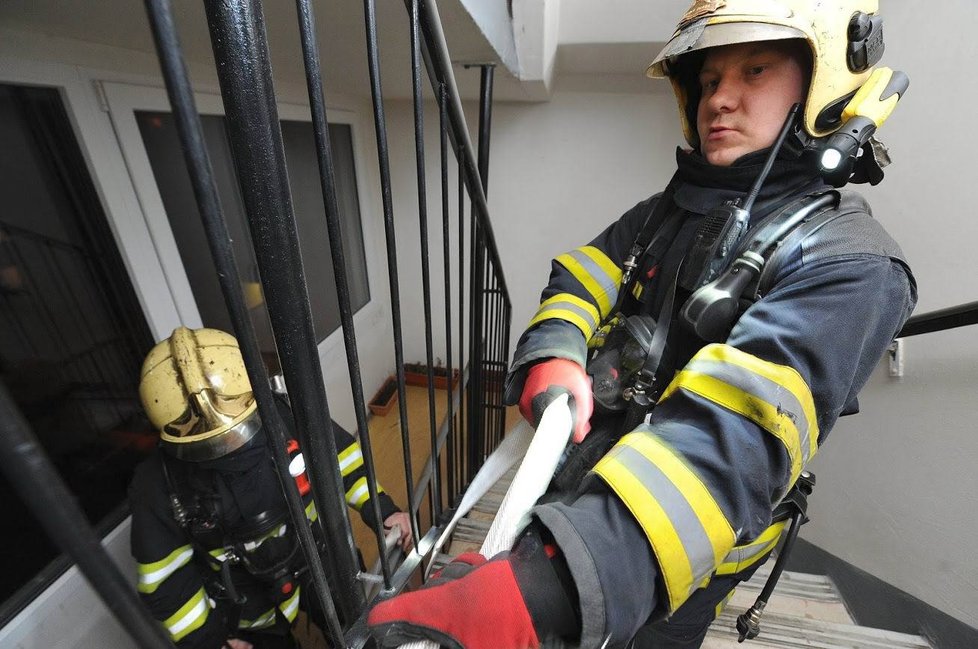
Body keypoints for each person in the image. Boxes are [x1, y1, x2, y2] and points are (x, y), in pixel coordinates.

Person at [367, 1, 916, 648]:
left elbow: (740, 431)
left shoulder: (853, 262)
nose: (720, 99)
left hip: (677, 554)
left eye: (756, 69)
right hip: (582, 479)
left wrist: (552, 587)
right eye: (709, 81)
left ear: (826, 79)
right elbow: (581, 277)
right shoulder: (666, 209)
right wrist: (556, 348)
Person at [129, 326, 413, 648]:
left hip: (319, 561)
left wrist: (382, 510)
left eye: (237, 432)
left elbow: (343, 465)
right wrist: (210, 642)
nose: (229, 448)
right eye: (210, 446)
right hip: (247, 611)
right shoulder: (158, 484)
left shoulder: (285, 417)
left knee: (358, 630)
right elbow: (165, 581)